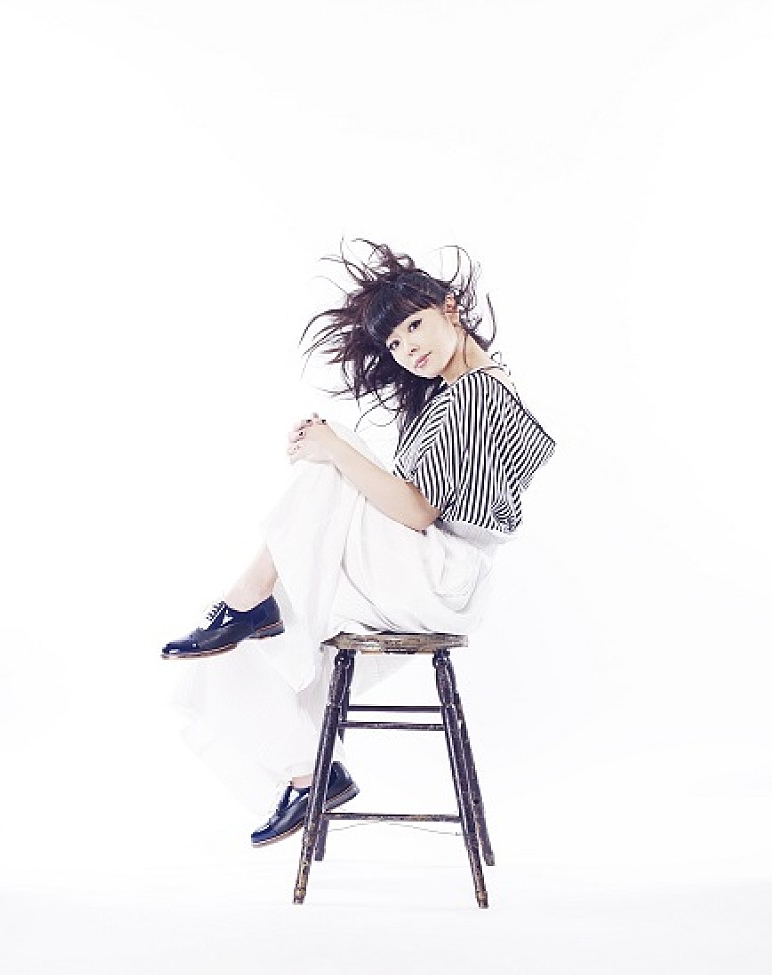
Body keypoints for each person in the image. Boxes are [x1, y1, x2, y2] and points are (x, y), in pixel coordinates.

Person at [162, 241, 555, 847]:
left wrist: (334, 451)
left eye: (414, 326)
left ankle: (245, 600)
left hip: (440, 574)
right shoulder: (451, 395)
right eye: (394, 343)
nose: (407, 348)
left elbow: (418, 512)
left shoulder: (479, 391)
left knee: (332, 456)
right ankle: (309, 774)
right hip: (411, 575)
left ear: (450, 308)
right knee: (227, 658)